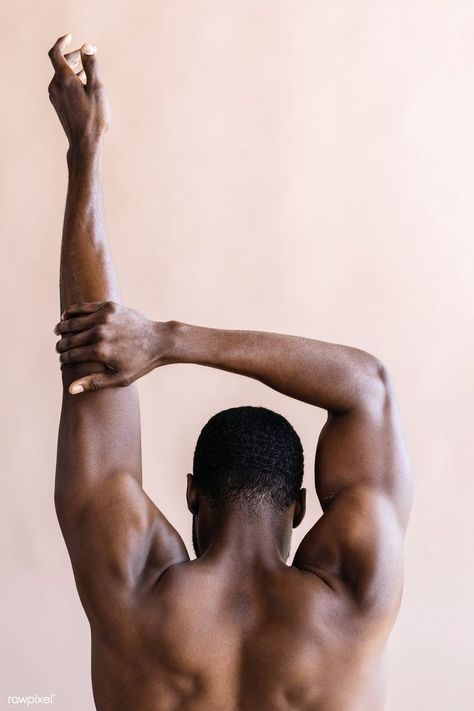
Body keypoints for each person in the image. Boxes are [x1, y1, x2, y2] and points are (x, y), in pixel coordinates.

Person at [48, 33, 413, 711]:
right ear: (299, 509)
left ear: (192, 497)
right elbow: (368, 388)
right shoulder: (355, 603)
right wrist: (170, 341)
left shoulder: (134, 592)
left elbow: (91, 360)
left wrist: (84, 155)